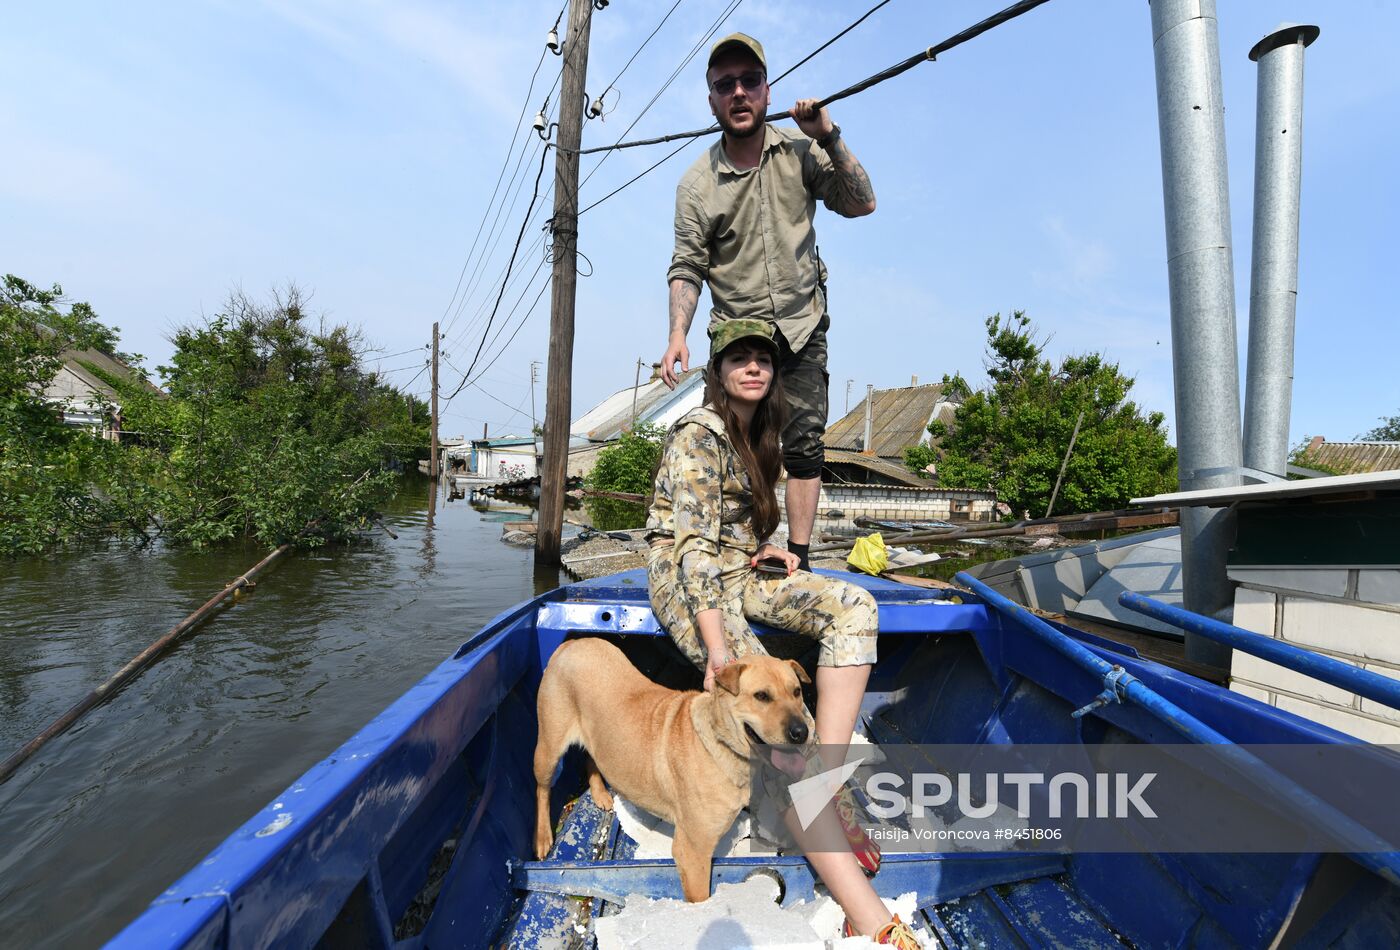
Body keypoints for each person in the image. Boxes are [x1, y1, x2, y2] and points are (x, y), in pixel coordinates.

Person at [646, 319, 919, 947]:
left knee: (854, 604)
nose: (752, 368)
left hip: (740, 564)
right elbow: (693, 555)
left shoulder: (760, 434)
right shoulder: (697, 436)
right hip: (688, 577)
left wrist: (775, 551)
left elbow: (738, 529)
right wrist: (721, 653)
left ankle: (825, 769)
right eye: (738, 358)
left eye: (763, 360)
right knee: (756, 677)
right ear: (716, 372)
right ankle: (868, 914)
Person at [661, 32, 877, 573]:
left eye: (748, 81)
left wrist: (828, 135)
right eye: (725, 85)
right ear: (712, 100)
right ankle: (731, 552)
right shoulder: (696, 184)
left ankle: (796, 557)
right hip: (739, 336)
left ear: (766, 89)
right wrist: (677, 336)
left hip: (802, 325)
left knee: (804, 444)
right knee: (735, 447)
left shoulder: (802, 153)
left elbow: (862, 203)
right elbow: (687, 266)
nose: (738, 93)